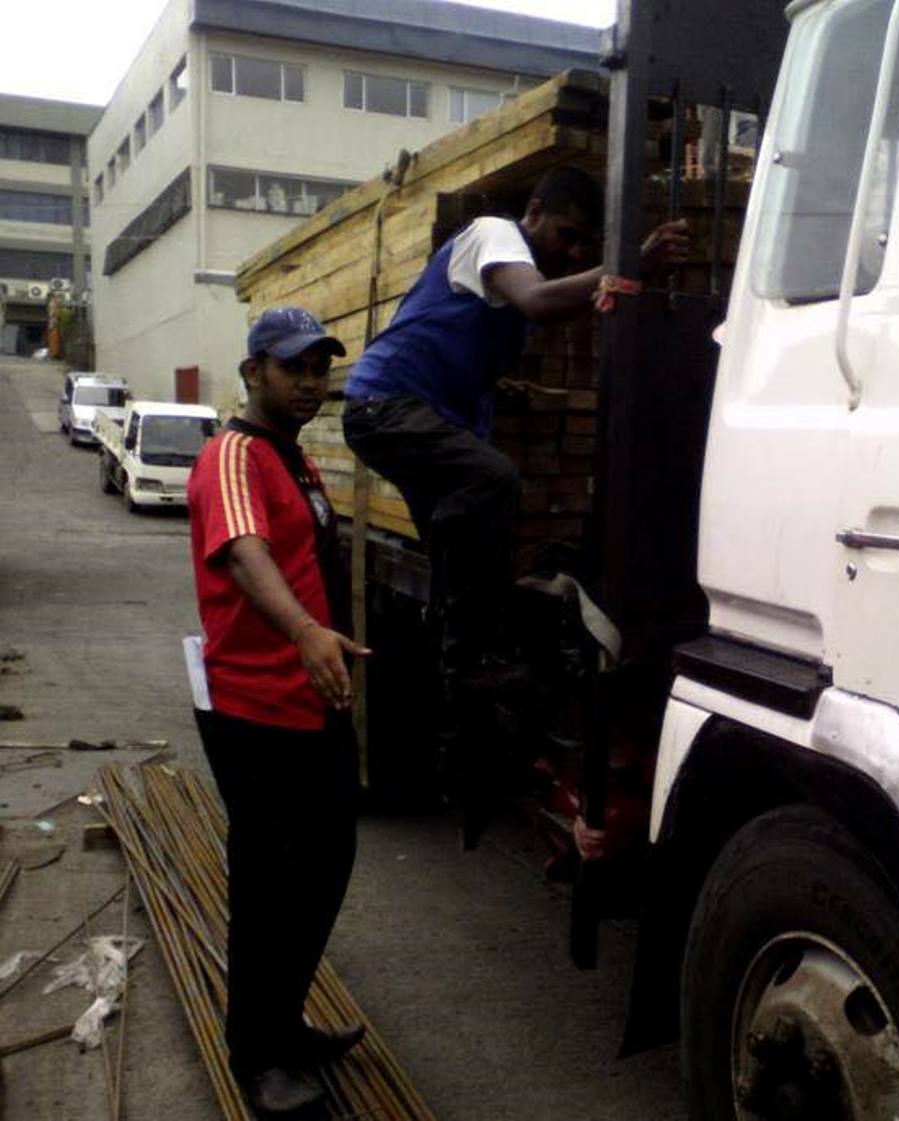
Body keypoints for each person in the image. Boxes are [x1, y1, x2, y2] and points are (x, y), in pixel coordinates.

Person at [341, 166, 688, 845]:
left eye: (582, 246)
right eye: (565, 235)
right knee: (492, 480)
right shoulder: (495, 234)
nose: (569, 252)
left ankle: (463, 699)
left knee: (469, 575)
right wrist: (627, 267)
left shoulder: (505, 276)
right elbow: (536, 302)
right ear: (533, 212)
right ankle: (466, 664)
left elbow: (477, 336)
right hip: (385, 406)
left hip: (417, 414)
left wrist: (506, 383)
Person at [188, 307, 370, 1116]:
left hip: (312, 701)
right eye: (293, 367)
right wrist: (302, 628)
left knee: (324, 867)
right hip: (253, 707)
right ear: (253, 369)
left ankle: (285, 1021)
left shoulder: (293, 460)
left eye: (319, 368)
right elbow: (244, 552)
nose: (309, 382)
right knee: (268, 886)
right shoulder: (234, 454)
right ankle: (257, 1056)